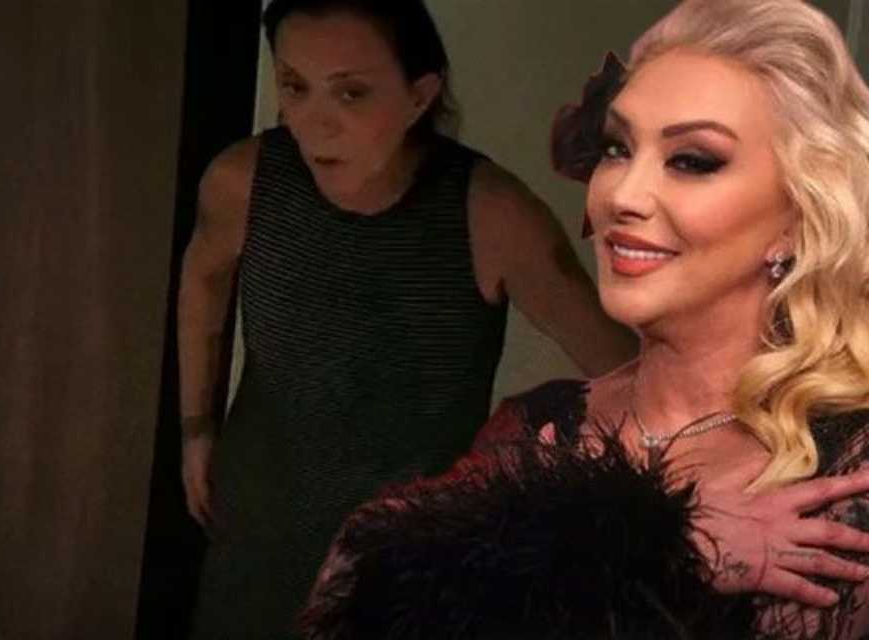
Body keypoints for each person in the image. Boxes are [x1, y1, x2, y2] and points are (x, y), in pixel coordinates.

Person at [302, 0, 869, 637]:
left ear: (796, 217)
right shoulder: (543, 423)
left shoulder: (847, 470)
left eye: (692, 160)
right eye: (617, 148)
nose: (621, 195)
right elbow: (352, 576)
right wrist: (664, 544)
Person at [178, 0, 637, 636]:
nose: (315, 123)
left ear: (419, 96)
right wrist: (196, 426)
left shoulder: (490, 214)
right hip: (259, 518)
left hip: (406, 555)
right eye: (295, 86)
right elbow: (203, 279)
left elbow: (622, 368)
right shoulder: (243, 181)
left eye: (351, 93)